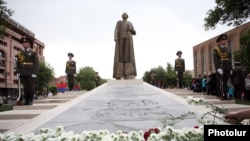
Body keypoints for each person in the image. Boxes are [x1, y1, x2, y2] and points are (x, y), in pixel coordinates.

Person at [15, 36, 39, 105]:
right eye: (23, 43)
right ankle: (26, 101)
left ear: (29, 44)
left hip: (30, 72)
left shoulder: (33, 53)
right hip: (22, 72)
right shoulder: (20, 53)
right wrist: (17, 72)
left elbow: (36, 64)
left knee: (30, 87)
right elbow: (18, 63)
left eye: (25, 42)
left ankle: (30, 100)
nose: (24, 44)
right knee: (25, 87)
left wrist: (35, 72)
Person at [113, 12, 137, 80]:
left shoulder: (130, 23)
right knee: (120, 56)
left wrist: (131, 29)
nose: (124, 15)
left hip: (128, 40)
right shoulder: (119, 23)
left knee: (128, 56)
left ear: (127, 16)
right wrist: (115, 37)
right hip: (120, 40)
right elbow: (116, 29)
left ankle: (129, 73)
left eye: (125, 14)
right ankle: (120, 74)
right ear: (122, 16)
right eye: (123, 14)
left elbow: (135, 32)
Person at [213, 34, 232, 100]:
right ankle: (220, 95)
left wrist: (231, 68)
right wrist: (218, 68)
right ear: (220, 41)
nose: (224, 41)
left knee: (225, 82)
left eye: (225, 40)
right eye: (223, 40)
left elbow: (230, 59)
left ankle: (226, 95)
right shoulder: (216, 49)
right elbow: (215, 59)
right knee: (219, 81)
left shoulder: (228, 49)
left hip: (227, 67)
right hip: (221, 67)